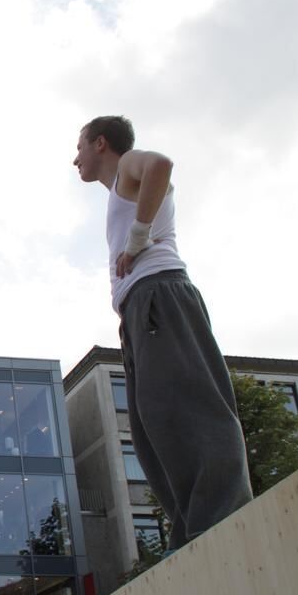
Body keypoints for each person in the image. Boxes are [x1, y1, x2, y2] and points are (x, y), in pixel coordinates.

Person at [73, 115, 252, 550]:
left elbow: (162, 165)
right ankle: (191, 525)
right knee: (153, 423)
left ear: (100, 143)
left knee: (191, 405)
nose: (73, 159)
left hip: (160, 295)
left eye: (78, 147)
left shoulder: (130, 164)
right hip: (138, 311)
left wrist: (137, 237)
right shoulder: (117, 191)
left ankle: (222, 518)